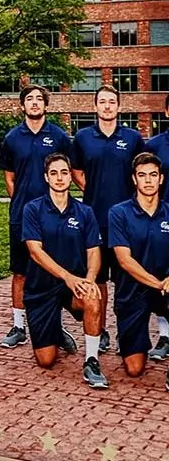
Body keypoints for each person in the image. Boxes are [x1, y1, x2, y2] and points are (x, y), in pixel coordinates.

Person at [22, 149, 110, 388]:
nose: (59, 177)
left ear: (71, 176)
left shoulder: (85, 212)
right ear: (46, 177)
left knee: (93, 298)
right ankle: (55, 331)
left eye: (64, 172)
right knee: (46, 360)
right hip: (41, 288)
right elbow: (35, 252)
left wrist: (90, 279)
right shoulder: (32, 209)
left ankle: (91, 362)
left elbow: (94, 252)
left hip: (73, 288)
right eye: (54, 173)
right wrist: (68, 277)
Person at [1, 86, 74, 348]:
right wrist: (24, 203)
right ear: (22, 106)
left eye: (39, 99)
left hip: (54, 217)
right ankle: (19, 327)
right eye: (29, 99)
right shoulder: (12, 138)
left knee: (55, 271)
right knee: (21, 272)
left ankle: (56, 327)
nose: (34, 103)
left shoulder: (59, 137)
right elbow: (9, 178)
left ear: (46, 105)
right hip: (21, 216)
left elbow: (67, 172)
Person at [77, 85, 143, 351]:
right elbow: (77, 172)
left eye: (111, 102)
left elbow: (140, 174)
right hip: (95, 218)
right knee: (99, 280)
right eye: (102, 102)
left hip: (126, 222)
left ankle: (126, 333)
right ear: (95, 106)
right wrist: (95, 193)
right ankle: (100, 331)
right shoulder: (82, 137)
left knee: (127, 280)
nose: (106, 106)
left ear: (119, 106)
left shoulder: (133, 137)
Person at [108, 150, 169, 385]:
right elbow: (124, 260)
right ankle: (128, 337)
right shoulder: (119, 213)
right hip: (132, 291)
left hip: (165, 289)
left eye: (153, 175)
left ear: (161, 178)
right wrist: (160, 284)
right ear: (134, 179)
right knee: (134, 369)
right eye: (142, 175)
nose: (148, 180)